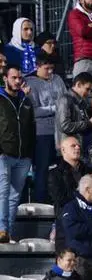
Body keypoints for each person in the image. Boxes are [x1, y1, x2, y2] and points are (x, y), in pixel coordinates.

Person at [0, 66, 35, 243]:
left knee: (14, 196)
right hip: (3, 153)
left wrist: (30, 154)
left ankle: (8, 232)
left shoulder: (26, 101)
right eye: (13, 77)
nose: (17, 81)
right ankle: (2, 229)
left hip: (23, 156)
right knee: (3, 192)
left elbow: (31, 129)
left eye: (19, 78)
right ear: (5, 78)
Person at [25, 55, 66, 202]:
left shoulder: (58, 80)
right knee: (42, 169)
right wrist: (55, 108)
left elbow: (66, 100)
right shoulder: (30, 83)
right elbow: (33, 111)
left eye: (52, 69)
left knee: (60, 168)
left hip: (61, 132)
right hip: (42, 133)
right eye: (46, 68)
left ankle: (59, 200)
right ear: (37, 67)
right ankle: (40, 201)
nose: (49, 72)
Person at [48, 137, 91, 250]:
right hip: (67, 224)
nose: (77, 148)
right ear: (63, 150)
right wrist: (84, 195)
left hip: (88, 223)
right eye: (73, 146)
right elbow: (60, 198)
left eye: (78, 146)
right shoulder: (55, 173)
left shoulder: (88, 170)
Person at [55, 72, 92, 149]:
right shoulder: (65, 100)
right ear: (78, 84)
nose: (89, 93)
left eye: (91, 90)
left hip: (82, 144)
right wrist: (89, 123)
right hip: (70, 147)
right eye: (87, 89)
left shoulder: (82, 101)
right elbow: (65, 126)